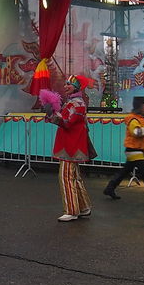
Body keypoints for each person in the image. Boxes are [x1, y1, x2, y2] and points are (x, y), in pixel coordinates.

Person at [46, 74, 97, 222]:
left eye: (69, 84)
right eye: (66, 83)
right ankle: (83, 207)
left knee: (66, 178)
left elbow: (67, 122)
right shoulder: (74, 102)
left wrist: (52, 113)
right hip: (71, 144)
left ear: (76, 87)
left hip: (71, 145)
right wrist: (53, 112)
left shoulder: (77, 103)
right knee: (75, 178)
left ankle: (72, 210)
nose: (66, 86)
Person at [102, 96, 144, 202]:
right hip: (135, 151)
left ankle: (110, 188)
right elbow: (137, 133)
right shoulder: (133, 119)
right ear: (139, 106)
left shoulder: (139, 119)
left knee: (124, 172)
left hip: (134, 151)